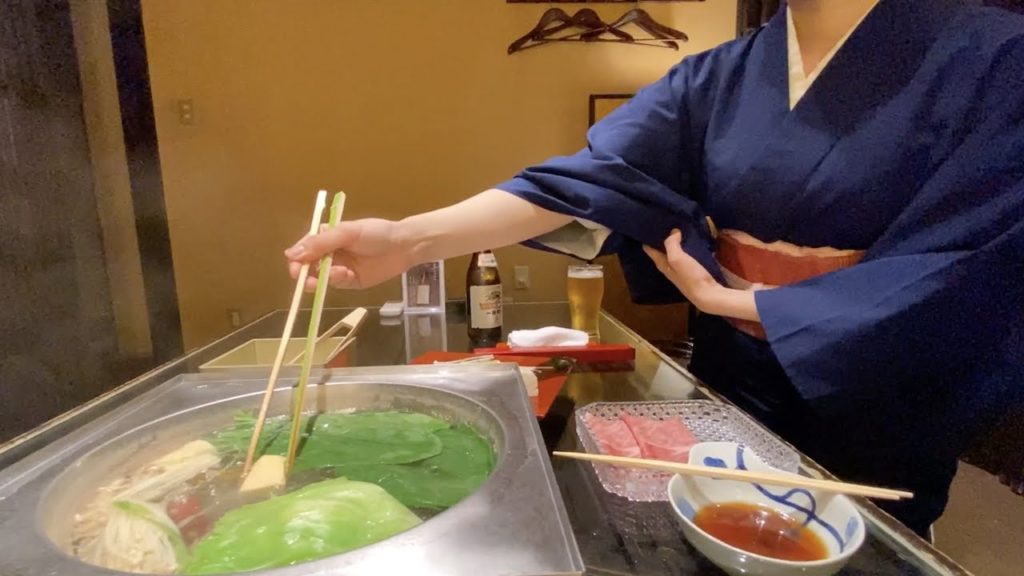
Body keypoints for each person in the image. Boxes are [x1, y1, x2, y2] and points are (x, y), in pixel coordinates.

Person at [285, 0, 1024, 538]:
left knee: (860, 544)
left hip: (878, 384)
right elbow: (584, 180)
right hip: (736, 383)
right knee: (718, 529)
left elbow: (977, 255)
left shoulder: (997, 59)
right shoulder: (718, 74)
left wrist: (745, 303)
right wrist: (410, 240)